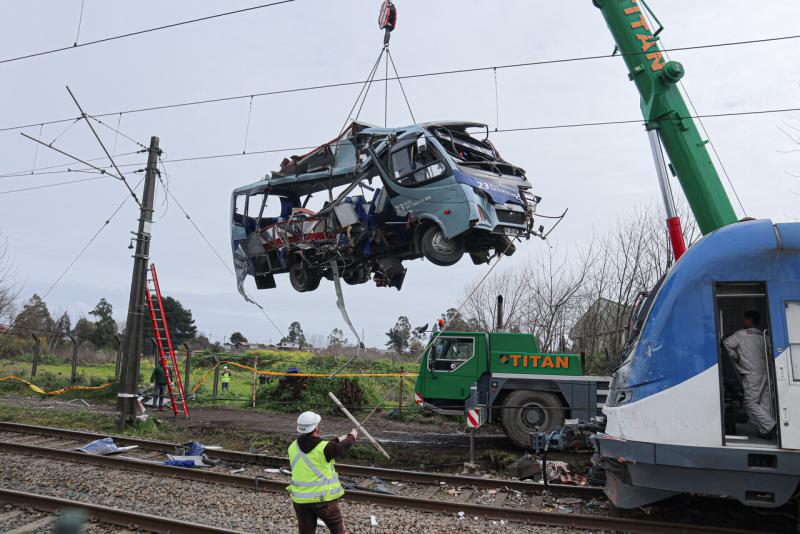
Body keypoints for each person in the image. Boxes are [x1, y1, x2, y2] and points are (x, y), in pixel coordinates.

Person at [287, 411, 357, 534]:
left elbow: (318, 445)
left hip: (301, 501)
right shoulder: (325, 448)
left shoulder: (292, 447)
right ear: (316, 428)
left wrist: (338, 439)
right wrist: (352, 437)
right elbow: (340, 448)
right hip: (323, 501)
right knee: (338, 530)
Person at [723, 310, 776, 439]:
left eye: (745, 319)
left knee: (750, 403)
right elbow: (770, 353)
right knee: (765, 402)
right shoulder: (765, 335)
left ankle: (770, 425)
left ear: (749, 321)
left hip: (751, 373)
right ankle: (764, 431)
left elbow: (726, 344)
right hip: (766, 372)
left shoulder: (740, 334)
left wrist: (735, 358)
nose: (743, 321)